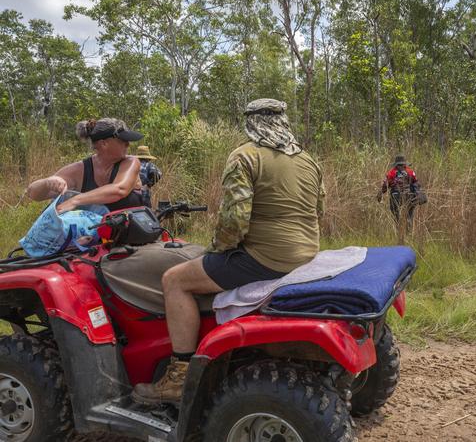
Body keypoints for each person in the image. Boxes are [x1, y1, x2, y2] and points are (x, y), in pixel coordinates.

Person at [132, 98, 326, 404]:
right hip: (306, 253)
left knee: (174, 279)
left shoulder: (245, 156)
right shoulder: (308, 160)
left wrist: (217, 249)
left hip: (266, 258)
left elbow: (235, 220)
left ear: (251, 123)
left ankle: (179, 377)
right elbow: (320, 210)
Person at [27, 118, 144, 213]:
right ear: (104, 143)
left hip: (132, 237)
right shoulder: (80, 169)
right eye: (123, 140)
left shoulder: (131, 162)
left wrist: (75, 200)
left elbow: (119, 189)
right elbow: (32, 194)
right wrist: (47, 183)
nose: (128, 144)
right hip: (94, 238)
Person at [377, 155, 420, 231]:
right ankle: (408, 230)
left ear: (396, 164)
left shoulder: (391, 172)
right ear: (405, 164)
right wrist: (417, 194)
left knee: (395, 214)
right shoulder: (410, 172)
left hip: (395, 196)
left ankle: (398, 227)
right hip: (409, 196)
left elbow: (385, 186)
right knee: (409, 215)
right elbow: (416, 183)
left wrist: (381, 193)